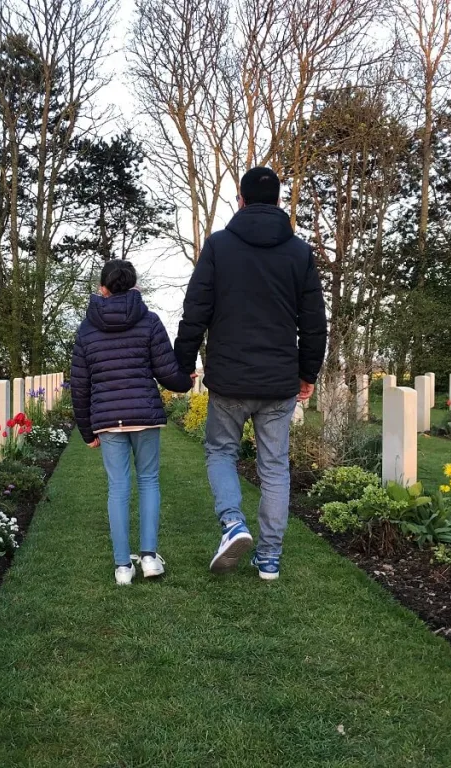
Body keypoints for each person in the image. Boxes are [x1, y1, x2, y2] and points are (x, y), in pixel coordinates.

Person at [175, 167, 327, 580]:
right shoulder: (299, 253)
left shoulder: (219, 247)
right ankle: (269, 558)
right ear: (279, 202)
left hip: (229, 379)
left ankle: (232, 522)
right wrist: (308, 371)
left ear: (239, 200)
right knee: (274, 466)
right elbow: (314, 321)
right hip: (279, 381)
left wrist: (183, 363)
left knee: (221, 451)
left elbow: (196, 311)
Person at [71, 259, 193, 585]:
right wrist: (186, 381)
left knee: (118, 489)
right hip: (145, 414)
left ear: (102, 288)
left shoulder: (86, 330)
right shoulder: (149, 321)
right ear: (134, 286)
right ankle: (150, 558)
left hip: (108, 420)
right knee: (149, 481)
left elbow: (80, 386)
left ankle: (123, 567)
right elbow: (167, 372)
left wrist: (87, 431)